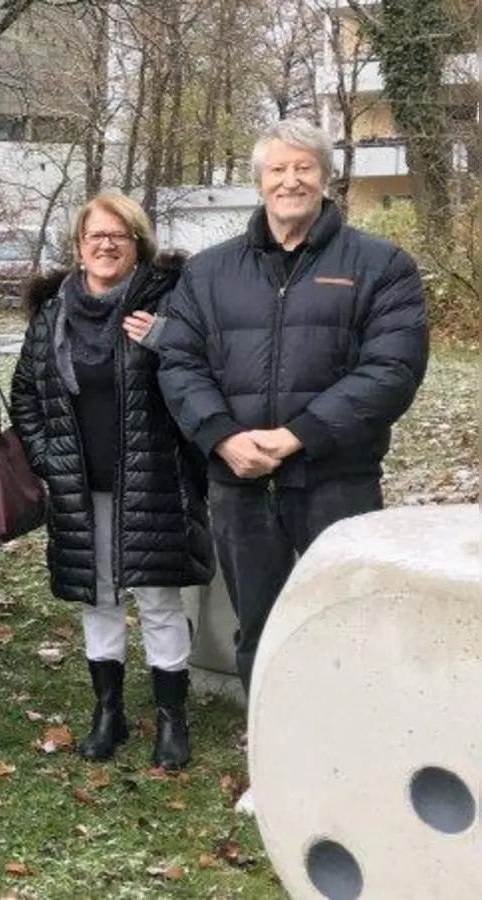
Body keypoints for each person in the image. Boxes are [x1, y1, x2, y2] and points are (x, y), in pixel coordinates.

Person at [157, 119, 428, 810]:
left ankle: (352, 766)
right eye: (278, 169)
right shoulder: (210, 271)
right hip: (239, 487)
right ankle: (276, 768)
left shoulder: (380, 265)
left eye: (304, 168)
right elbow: (181, 362)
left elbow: (391, 370)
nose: (291, 181)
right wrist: (222, 436)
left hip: (336, 482)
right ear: (258, 181)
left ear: (326, 177)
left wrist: (298, 435)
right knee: (262, 628)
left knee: (345, 622)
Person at [9, 192, 212, 771]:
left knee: (158, 599)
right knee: (97, 597)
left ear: (137, 246)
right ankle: (109, 712)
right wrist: (49, 457)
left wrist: (165, 338)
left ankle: (173, 720)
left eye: (117, 236)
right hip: (80, 482)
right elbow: (27, 392)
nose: (105, 245)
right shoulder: (54, 315)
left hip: (152, 478)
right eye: (95, 236)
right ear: (78, 247)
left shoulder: (169, 303)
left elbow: (205, 366)